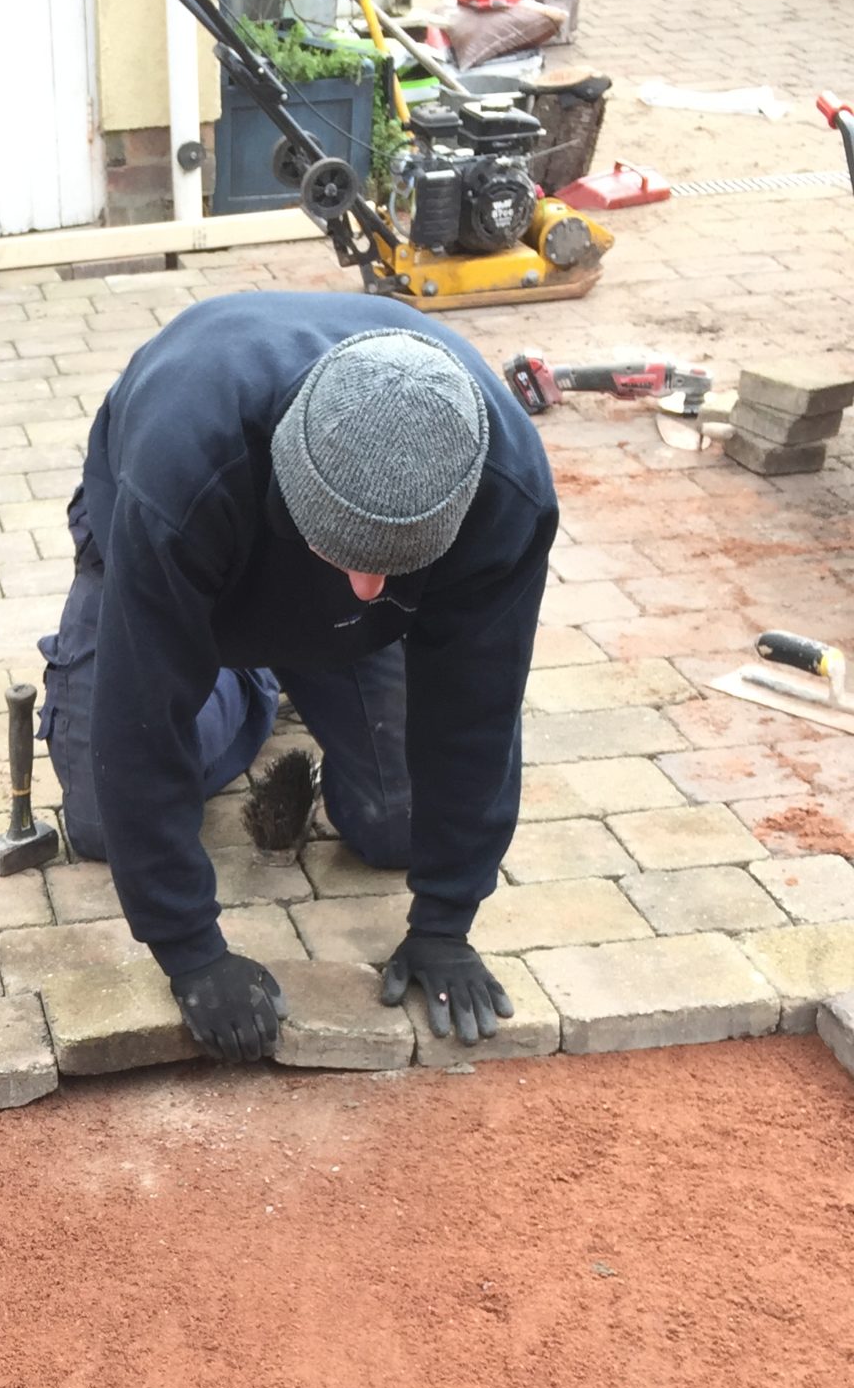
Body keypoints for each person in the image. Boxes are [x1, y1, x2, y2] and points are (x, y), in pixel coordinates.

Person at [38, 290, 558, 1062]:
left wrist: (446, 922)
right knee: (101, 818)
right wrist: (190, 951)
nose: (368, 589)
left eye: (394, 564)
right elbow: (140, 720)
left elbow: (477, 707)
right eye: (343, 556)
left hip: (309, 561)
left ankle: (290, 653)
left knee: (396, 827)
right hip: (175, 531)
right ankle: (242, 678)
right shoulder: (182, 470)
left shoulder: (505, 492)